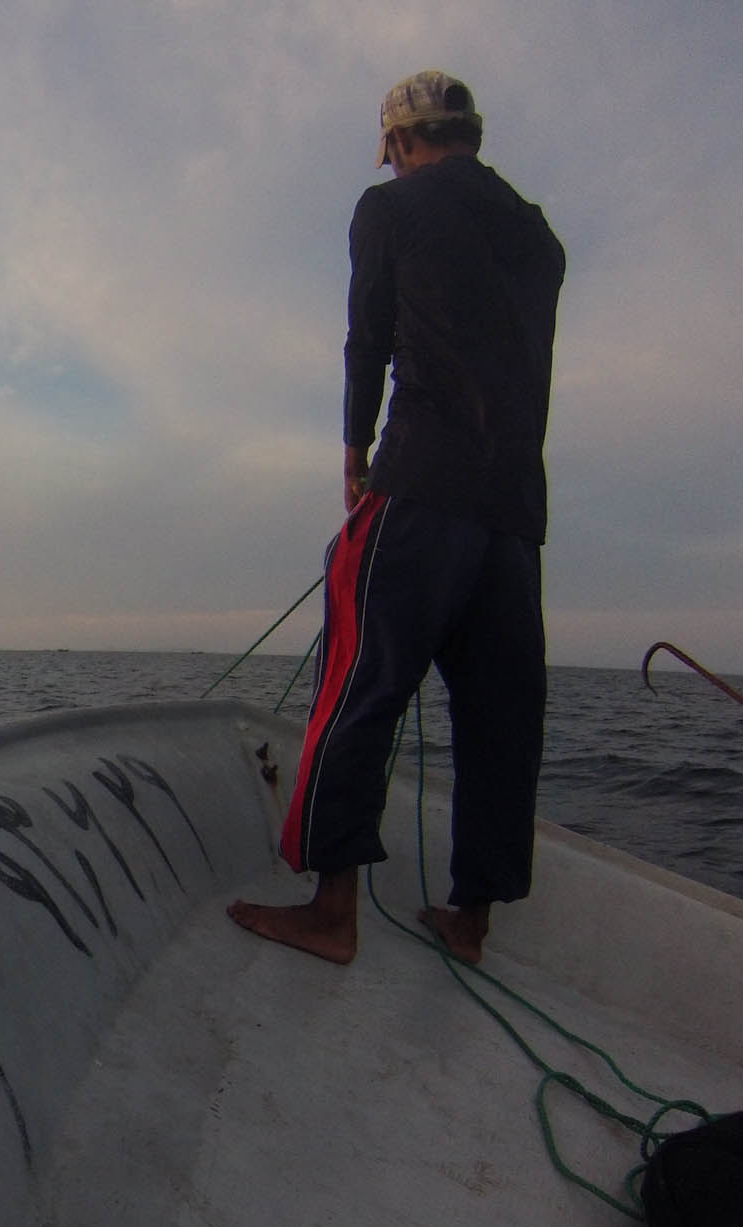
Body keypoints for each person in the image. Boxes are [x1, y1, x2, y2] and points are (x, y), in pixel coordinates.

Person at [228, 70, 566, 967]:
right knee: (501, 720)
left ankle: (331, 911)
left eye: (391, 151)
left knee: (360, 685)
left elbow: (368, 338)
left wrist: (355, 450)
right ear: (470, 133)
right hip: (514, 516)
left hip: (420, 486)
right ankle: (470, 922)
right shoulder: (540, 239)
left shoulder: (390, 208)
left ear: (404, 142)